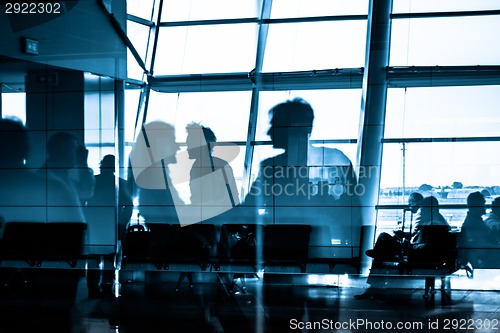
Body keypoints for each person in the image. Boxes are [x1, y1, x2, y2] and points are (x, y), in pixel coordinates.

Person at [241, 98, 361, 259]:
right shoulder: (336, 159)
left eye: (275, 126)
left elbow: (248, 208)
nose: (269, 132)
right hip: (317, 247)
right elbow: (352, 210)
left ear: (293, 128)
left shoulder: (270, 167)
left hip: (281, 247)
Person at [0, 118, 85, 228]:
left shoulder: (54, 185)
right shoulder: (52, 188)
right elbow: (76, 233)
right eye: (73, 148)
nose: (76, 154)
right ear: (26, 149)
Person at [129, 121, 184, 224]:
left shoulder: (154, 177)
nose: (178, 147)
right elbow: (175, 216)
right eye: (173, 140)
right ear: (160, 145)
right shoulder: (155, 179)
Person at [185, 122, 239, 223]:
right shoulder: (199, 166)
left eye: (190, 144)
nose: (187, 148)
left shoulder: (216, 166)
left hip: (213, 222)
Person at [37, 131, 95, 207]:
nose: (77, 154)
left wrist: (82, 164)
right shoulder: (45, 178)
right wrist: (82, 163)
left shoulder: (62, 175)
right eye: (74, 148)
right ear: (62, 150)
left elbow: (86, 192)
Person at [86, 154, 133, 241]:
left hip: (96, 221)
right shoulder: (121, 183)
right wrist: (122, 222)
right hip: (111, 222)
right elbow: (128, 206)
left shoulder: (93, 181)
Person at [365, 192, 424, 261]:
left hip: (409, 246)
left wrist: (403, 234)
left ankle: (378, 253)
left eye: (409, 204)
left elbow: (413, 233)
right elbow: (416, 231)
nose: (409, 207)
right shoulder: (425, 213)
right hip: (414, 244)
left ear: (414, 203)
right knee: (387, 238)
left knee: (383, 235)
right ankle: (379, 253)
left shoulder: (420, 214)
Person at [458, 191, 499, 268]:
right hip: (487, 262)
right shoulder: (472, 224)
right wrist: (497, 247)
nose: (485, 207)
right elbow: (479, 246)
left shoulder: (475, 221)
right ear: (477, 205)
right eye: (483, 203)